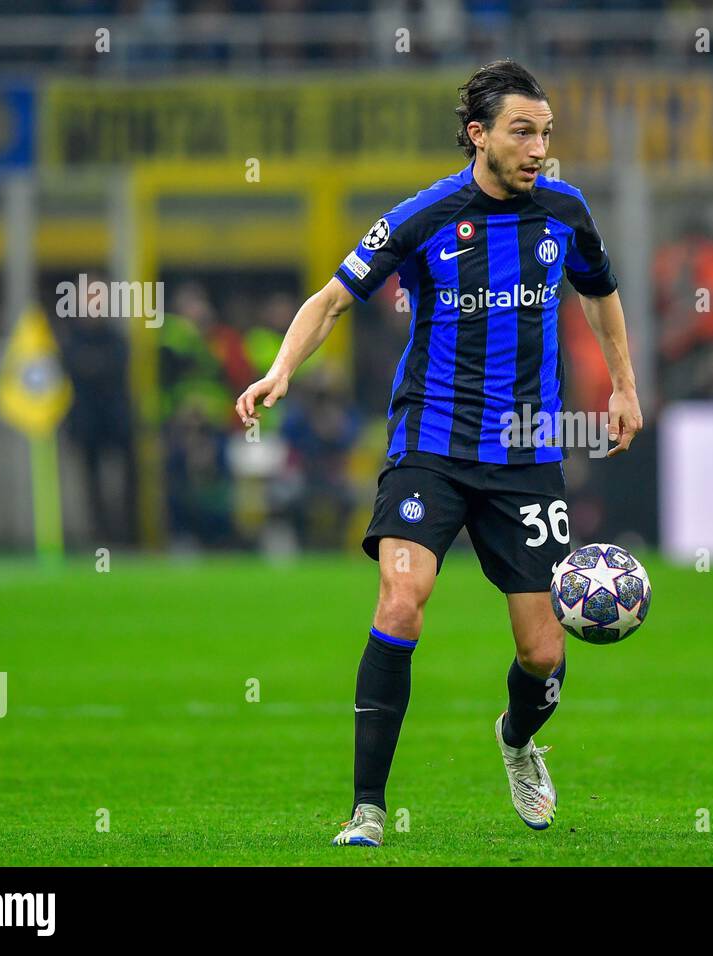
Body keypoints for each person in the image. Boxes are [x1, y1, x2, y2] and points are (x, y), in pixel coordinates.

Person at [234, 60, 643, 847]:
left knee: (543, 648)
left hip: (525, 455)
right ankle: (367, 808)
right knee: (400, 599)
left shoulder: (565, 211)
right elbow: (330, 300)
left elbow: (600, 291)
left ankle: (519, 741)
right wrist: (282, 369)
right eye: (522, 131)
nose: (538, 148)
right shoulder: (424, 218)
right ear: (477, 135)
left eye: (546, 133)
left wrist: (623, 386)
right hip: (432, 443)